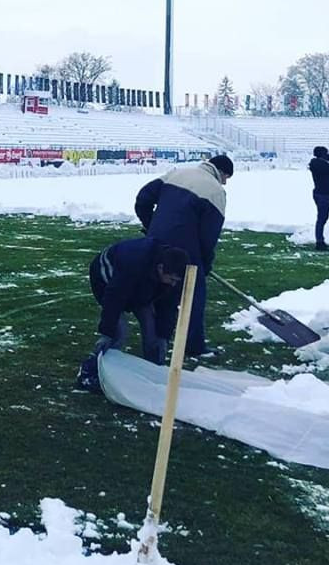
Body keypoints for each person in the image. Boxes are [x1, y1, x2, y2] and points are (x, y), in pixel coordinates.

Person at [134, 154, 233, 358]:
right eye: (226, 178)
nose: (225, 182)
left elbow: (143, 199)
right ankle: (194, 345)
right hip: (187, 251)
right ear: (221, 172)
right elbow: (208, 237)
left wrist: (151, 226)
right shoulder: (216, 192)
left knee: (160, 289)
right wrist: (205, 263)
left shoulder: (176, 173)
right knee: (194, 295)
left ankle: (156, 340)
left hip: (155, 245)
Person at [75, 239, 188, 392]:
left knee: (153, 333)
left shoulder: (174, 273)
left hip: (142, 288)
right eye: (172, 279)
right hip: (108, 282)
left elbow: (168, 307)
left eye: (176, 281)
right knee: (118, 333)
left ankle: (153, 371)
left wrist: (163, 336)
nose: (174, 284)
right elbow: (114, 298)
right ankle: (89, 372)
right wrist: (107, 332)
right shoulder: (134, 261)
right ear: (160, 268)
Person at [310, 146, 329, 250]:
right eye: (325, 153)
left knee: (322, 218)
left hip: (322, 194)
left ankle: (320, 240)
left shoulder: (318, 163)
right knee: (321, 219)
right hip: (323, 195)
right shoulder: (319, 164)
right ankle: (319, 242)